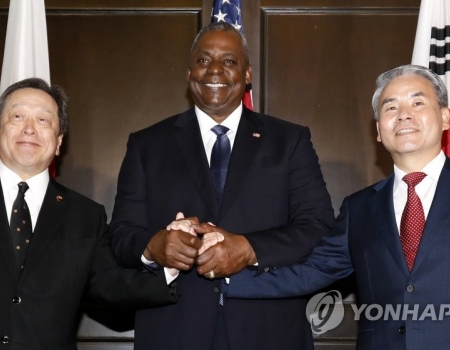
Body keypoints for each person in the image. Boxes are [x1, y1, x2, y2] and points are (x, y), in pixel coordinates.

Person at [222, 65, 450, 349]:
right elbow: (308, 273)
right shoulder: (359, 208)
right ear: (379, 131)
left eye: (418, 103)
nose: (404, 115)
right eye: (391, 107)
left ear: (445, 118)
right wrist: (219, 278)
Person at [0, 78, 179, 349]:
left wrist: (169, 266)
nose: (30, 128)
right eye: (17, 116)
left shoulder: (85, 216)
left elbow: (109, 285)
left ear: (58, 141)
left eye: (43, 119)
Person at [109, 22, 334, 350]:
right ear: (189, 74)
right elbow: (120, 234)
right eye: (203, 61)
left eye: (229, 61)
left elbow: (318, 227)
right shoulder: (147, 145)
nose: (214, 69)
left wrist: (248, 248)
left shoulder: (289, 141)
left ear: (247, 75)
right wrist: (153, 247)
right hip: (173, 332)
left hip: (269, 333)